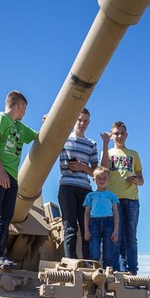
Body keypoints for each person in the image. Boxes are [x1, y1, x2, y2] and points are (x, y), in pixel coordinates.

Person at [0, 90, 39, 268]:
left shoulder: (20, 127)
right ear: (19, 105)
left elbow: (39, 136)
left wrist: (48, 122)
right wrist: (0, 171)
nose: (25, 112)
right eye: (25, 108)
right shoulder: (1, 119)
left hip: (12, 177)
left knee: (5, 217)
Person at [101, 121, 143, 274]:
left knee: (131, 238)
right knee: (115, 237)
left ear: (127, 135)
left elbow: (142, 180)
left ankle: (132, 271)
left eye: (122, 133)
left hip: (132, 199)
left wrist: (135, 180)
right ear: (112, 135)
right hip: (113, 200)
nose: (119, 136)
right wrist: (105, 145)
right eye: (116, 133)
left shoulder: (134, 154)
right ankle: (115, 271)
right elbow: (103, 170)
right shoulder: (108, 153)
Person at [58, 108, 99, 259]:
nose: (82, 123)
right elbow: (47, 142)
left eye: (85, 121)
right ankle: (71, 261)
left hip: (85, 189)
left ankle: (87, 261)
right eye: (79, 120)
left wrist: (83, 167)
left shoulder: (92, 144)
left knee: (86, 227)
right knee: (70, 227)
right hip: (67, 186)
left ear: (89, 123)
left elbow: (96, 173)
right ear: (75, 119)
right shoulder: (64, 139)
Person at [83, 167, 119, 269]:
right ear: (94, 179)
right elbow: (86, 213)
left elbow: (116, 213)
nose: (102, 180)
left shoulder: (112, 196)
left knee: (108, 253)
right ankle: (95, 274)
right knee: (94, 252)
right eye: (98, 178)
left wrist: (116, 230)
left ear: (109, 179)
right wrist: (86, 230)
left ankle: (107, 277)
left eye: (104, 178)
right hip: (94, 224)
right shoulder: (90, 196)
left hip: (109, 223)